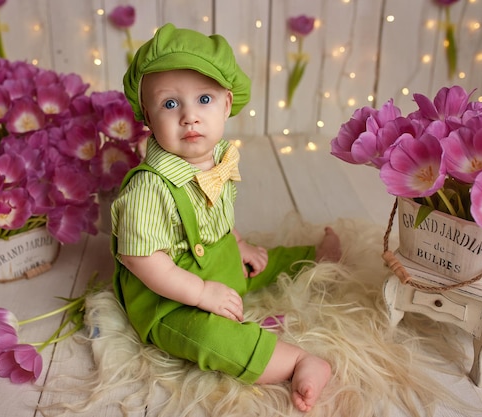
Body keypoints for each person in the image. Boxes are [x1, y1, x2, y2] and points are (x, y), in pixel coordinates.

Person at [111, 23, 341, 412]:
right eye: (170, 104)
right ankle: (297, 361)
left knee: (263, 261)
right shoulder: (147, 190)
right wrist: (202, 294)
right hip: (168, 297)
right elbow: (142, 260)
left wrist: (238, 244)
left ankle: (314, 256)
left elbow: (214, 216)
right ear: (147, 116)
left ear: (226, 103)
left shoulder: (218, 162)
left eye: (204, 99)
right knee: (212, 338)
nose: (189, 117)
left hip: (217, 261)